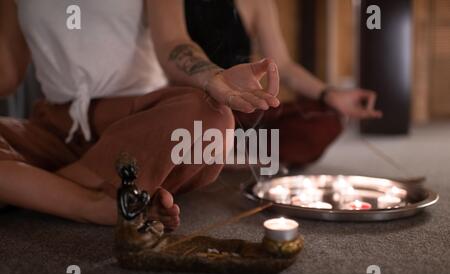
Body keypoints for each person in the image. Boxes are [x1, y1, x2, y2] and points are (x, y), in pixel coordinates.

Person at [0, 0, 281, 228]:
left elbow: (172, 40)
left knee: (211, 119)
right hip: (56, 128)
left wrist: (213, 76)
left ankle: (31, 188)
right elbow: (8, 73)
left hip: (143, 124)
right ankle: (94, 202)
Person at [185, 0, 382, 166]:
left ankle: (227, 153)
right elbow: (172, 45)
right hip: (196, 107)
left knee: (326, 117)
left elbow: (283, 65)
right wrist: (213, 80)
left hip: (242, 108)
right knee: (187, 123)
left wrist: (329, 94)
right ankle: (226, 151)